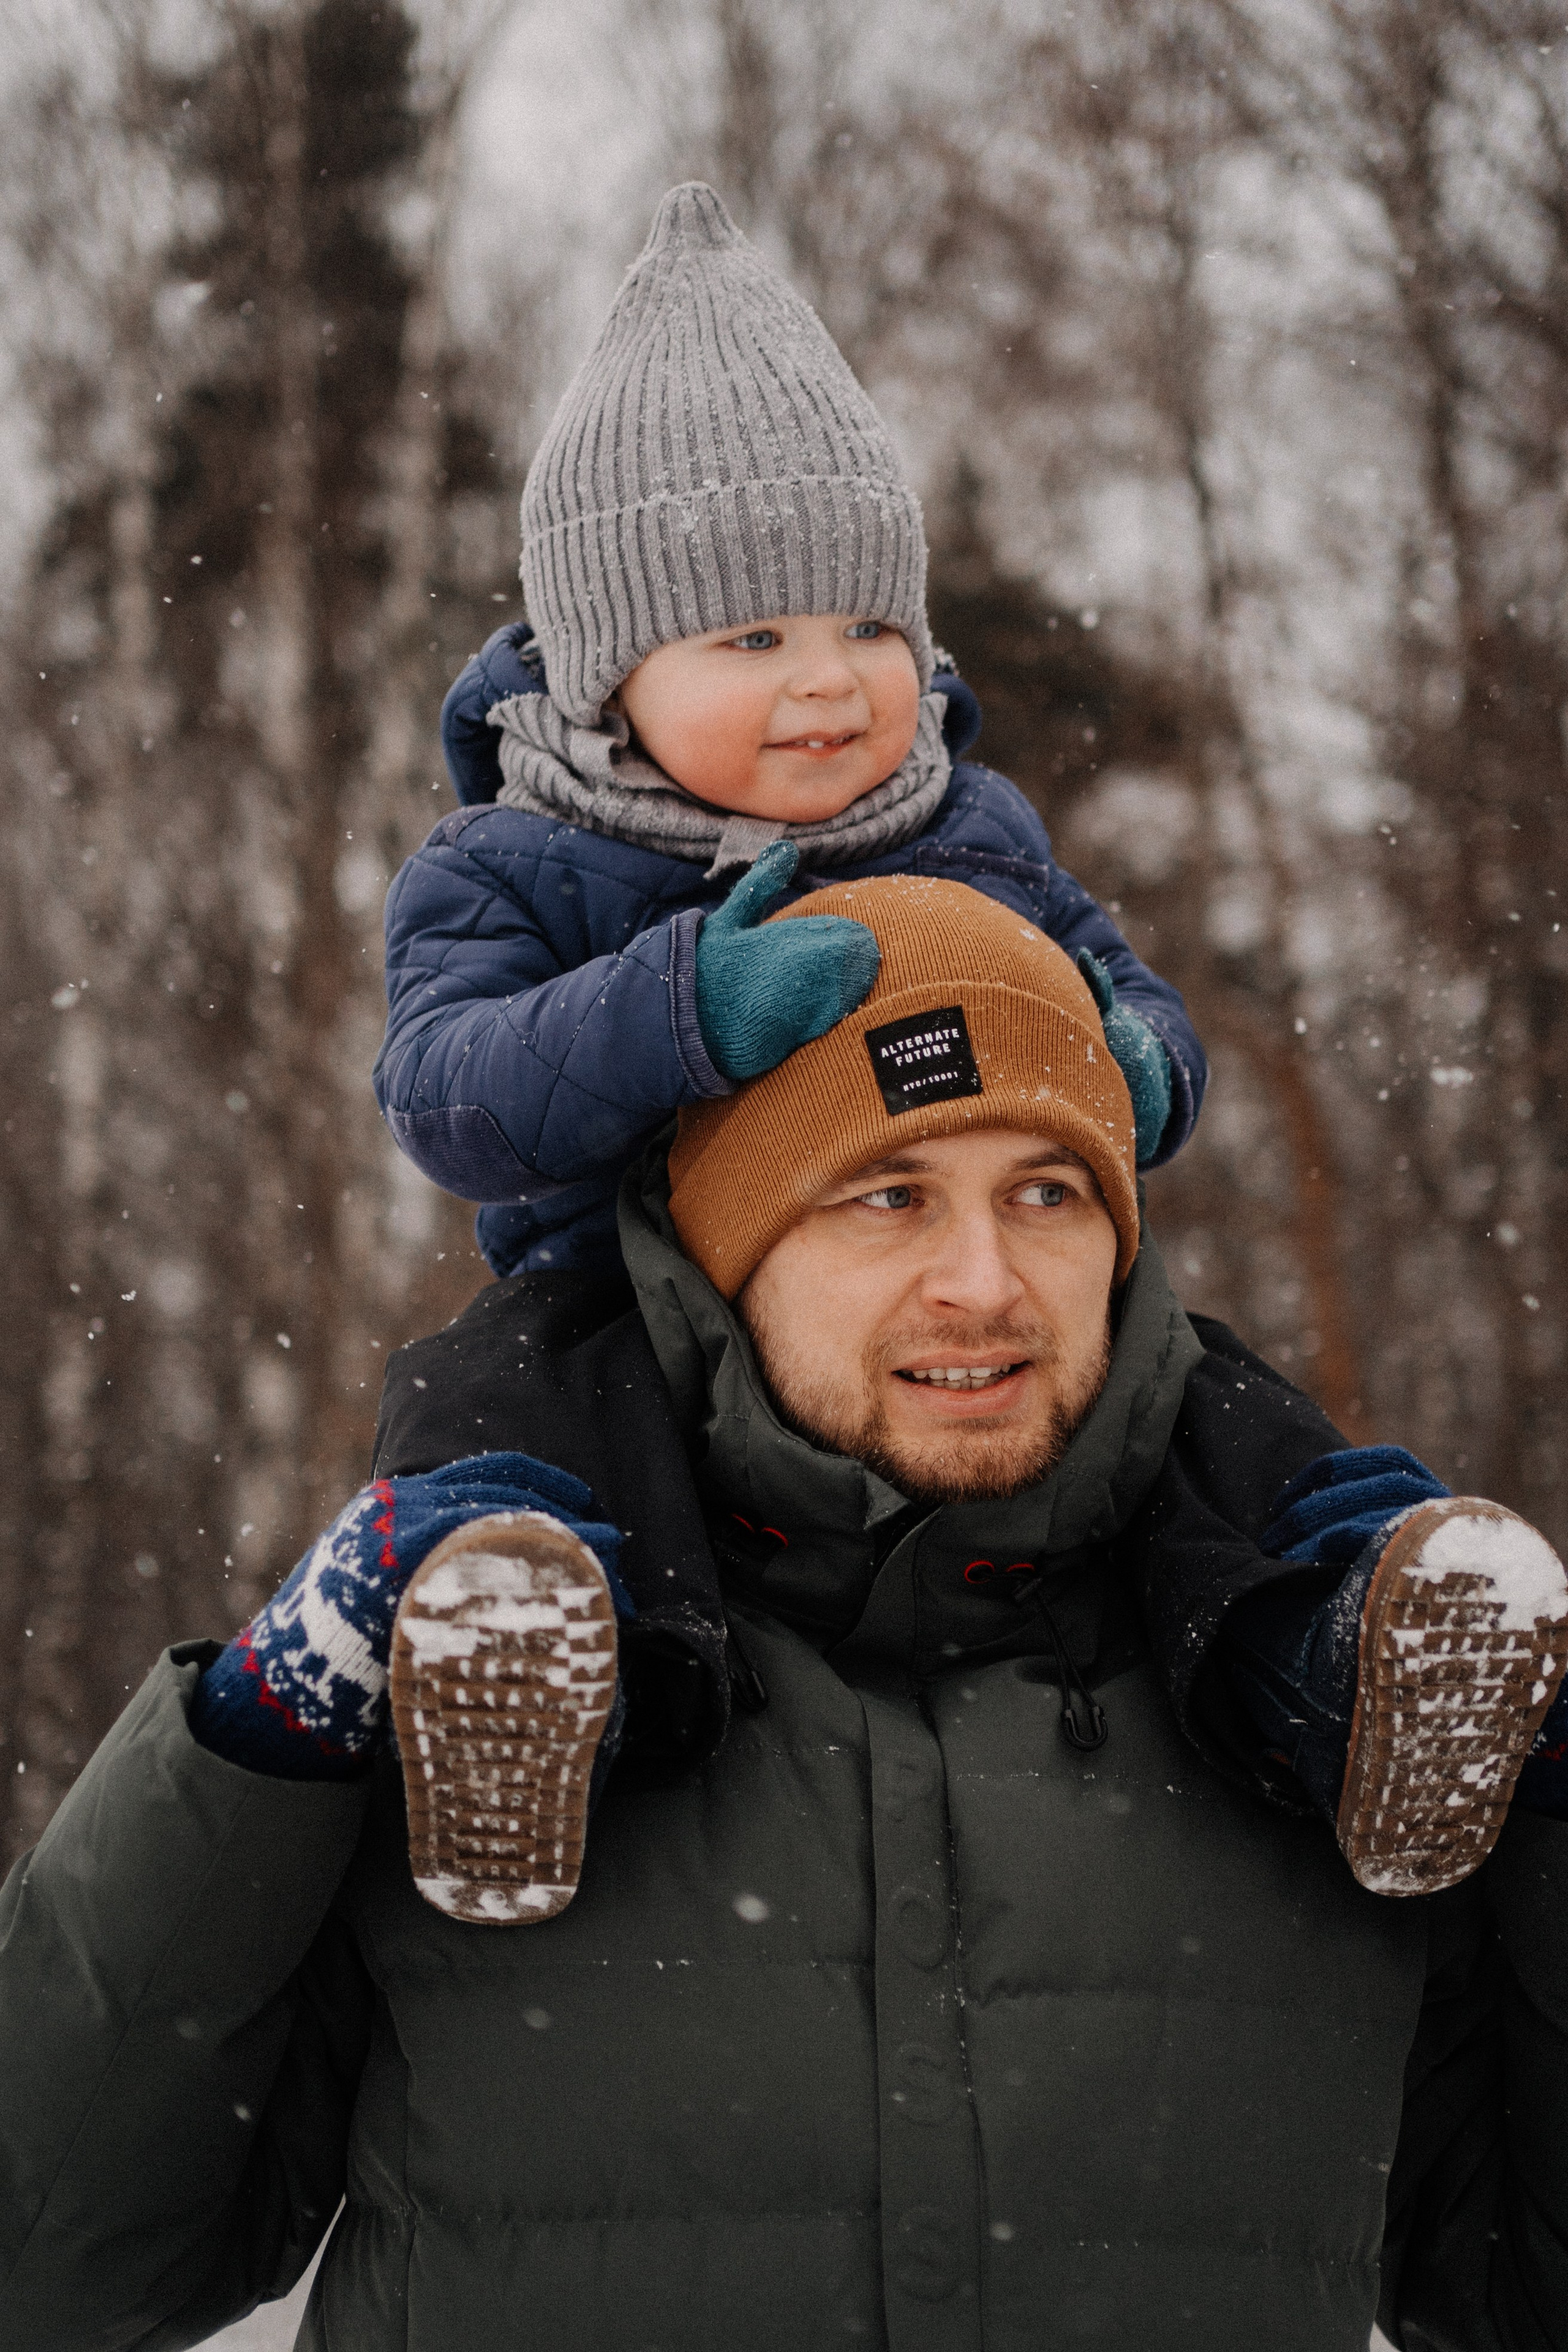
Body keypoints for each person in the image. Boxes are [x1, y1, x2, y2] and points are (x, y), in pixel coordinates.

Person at [4, 877, 1566, 2352]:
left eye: (1044, 1191)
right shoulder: (483, 1688)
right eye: (885, 1195)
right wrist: (248, 1752)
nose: (983, 1280)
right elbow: (54, 2264)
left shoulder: (1334, 1709)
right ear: (723, 1255)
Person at [371, 181, 1205, 1286]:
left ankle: (1332, 1474)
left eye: (869, 628)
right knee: (501, 1388)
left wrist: (1139, 1070)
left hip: (957, 1282)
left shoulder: (973, 827)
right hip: (631, 1304)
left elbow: (1128, 995)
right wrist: (678, 1012)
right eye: (755, 640)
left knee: (1187, 1367)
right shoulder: (512, 868)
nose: (830, 681)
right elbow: (445, 1094)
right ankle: (481, 1477)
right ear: (610, 682)